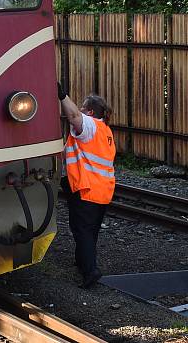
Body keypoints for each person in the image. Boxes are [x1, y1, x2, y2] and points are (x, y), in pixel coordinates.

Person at [57, 83, 116, 289]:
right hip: (102, 189)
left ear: (90, 112)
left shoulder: (90, 126)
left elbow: (73, 116)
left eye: (83, 107)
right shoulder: (105, 131)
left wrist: (63, 96)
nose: (79, 110)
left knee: (83, 231)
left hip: (88, 189)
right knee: (89, 231)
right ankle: (82, 261)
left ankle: (90, 271)